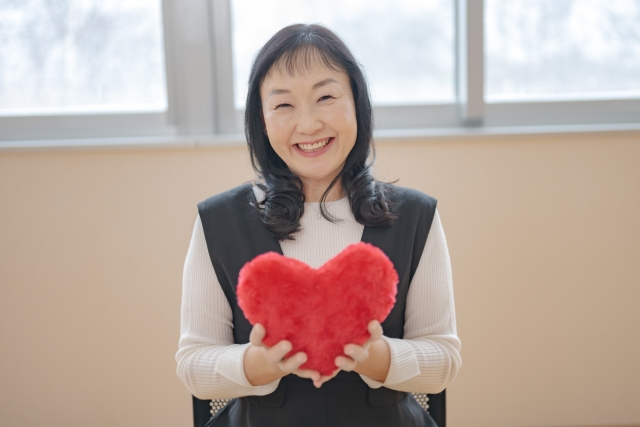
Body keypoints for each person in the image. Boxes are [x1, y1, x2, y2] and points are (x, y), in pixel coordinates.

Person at [176, 23, 461, 427]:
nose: (308, 124)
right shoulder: (218, 221)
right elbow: (194, 366)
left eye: (325, 97)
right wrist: (259, 363)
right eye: (283, 105)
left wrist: (374, 356)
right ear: (261, 120)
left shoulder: (417, 216)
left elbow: (443, 362)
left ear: (357, 103)